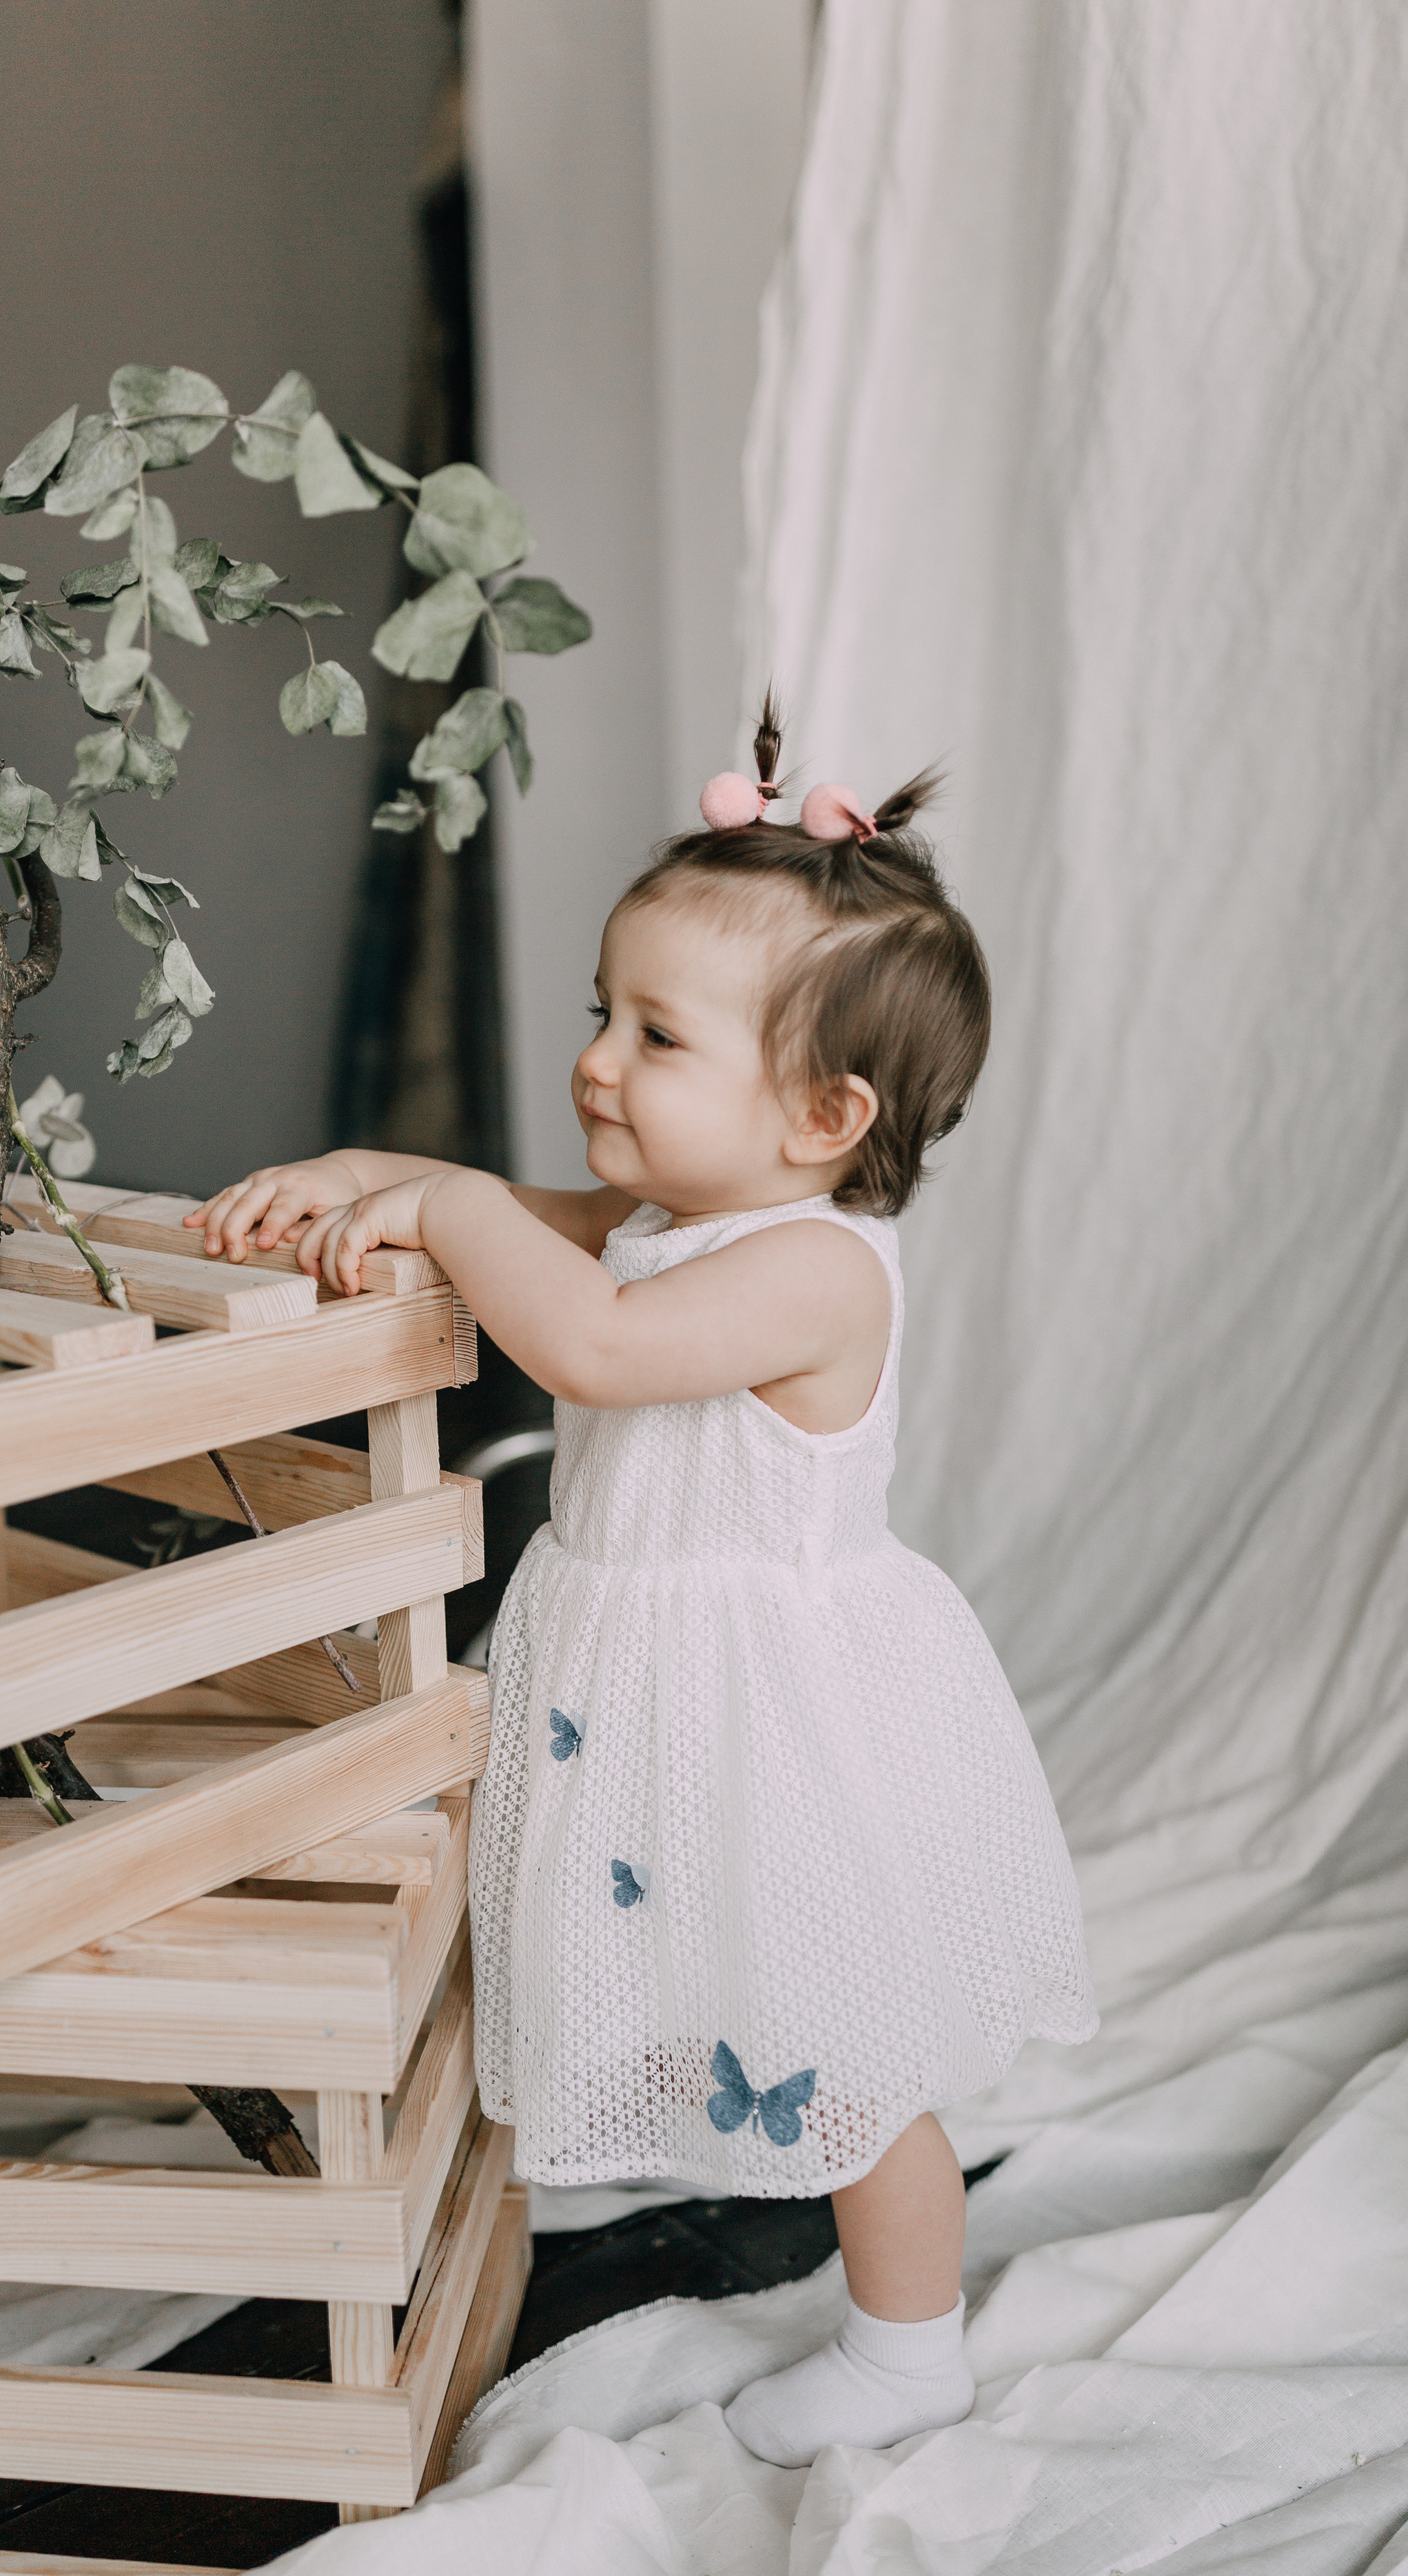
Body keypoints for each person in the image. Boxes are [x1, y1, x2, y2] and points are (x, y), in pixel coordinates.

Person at [187, 702, 1096, 2466]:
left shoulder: (816, 1273)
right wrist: (358, 1179)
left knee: (840, 2048)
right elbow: (512, 1215)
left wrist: (444, 1209)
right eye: (599, 1012)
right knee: (725, 1985)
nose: (599, 1059)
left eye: (655, 1033)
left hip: (778, 1712)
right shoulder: (679, 1208)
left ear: (824, 1115)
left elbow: (589, 1345)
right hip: (660, 1693)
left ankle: (911, 2348)